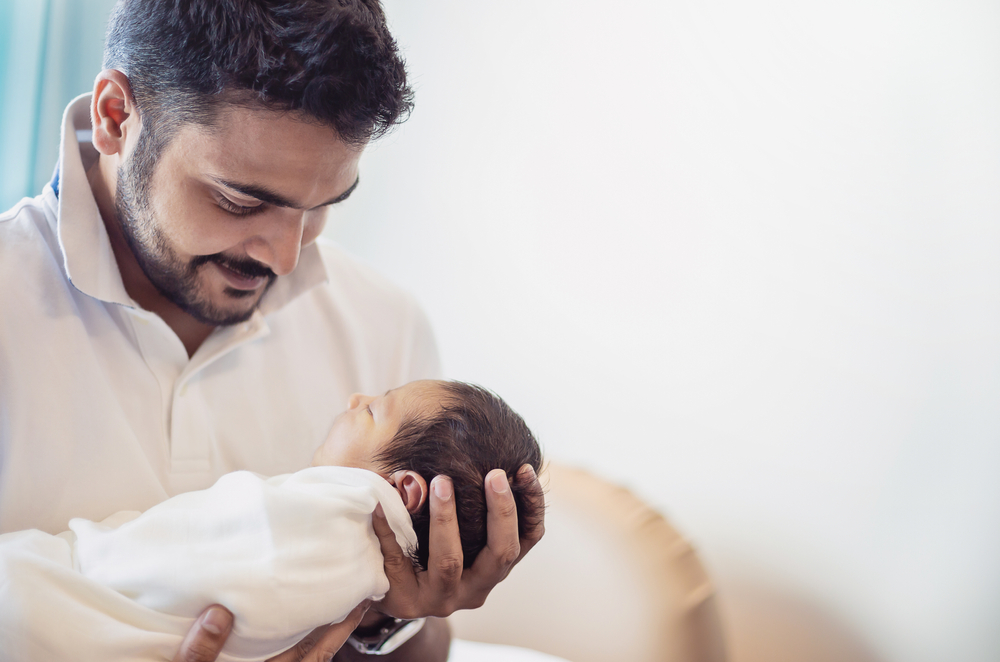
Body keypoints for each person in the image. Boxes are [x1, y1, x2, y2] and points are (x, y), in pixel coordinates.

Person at [0, 1, 545, 660]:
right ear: (117, 116)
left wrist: (383, 617)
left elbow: (422, 654)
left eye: (322, 208)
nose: (286, 259)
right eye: (241, 201)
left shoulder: (384, 325)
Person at [0, 380, 543, 661]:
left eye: (374, 410)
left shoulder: (337, 513)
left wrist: (397, 613)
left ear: (405, 489)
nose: (355, 397)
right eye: (238, 199)